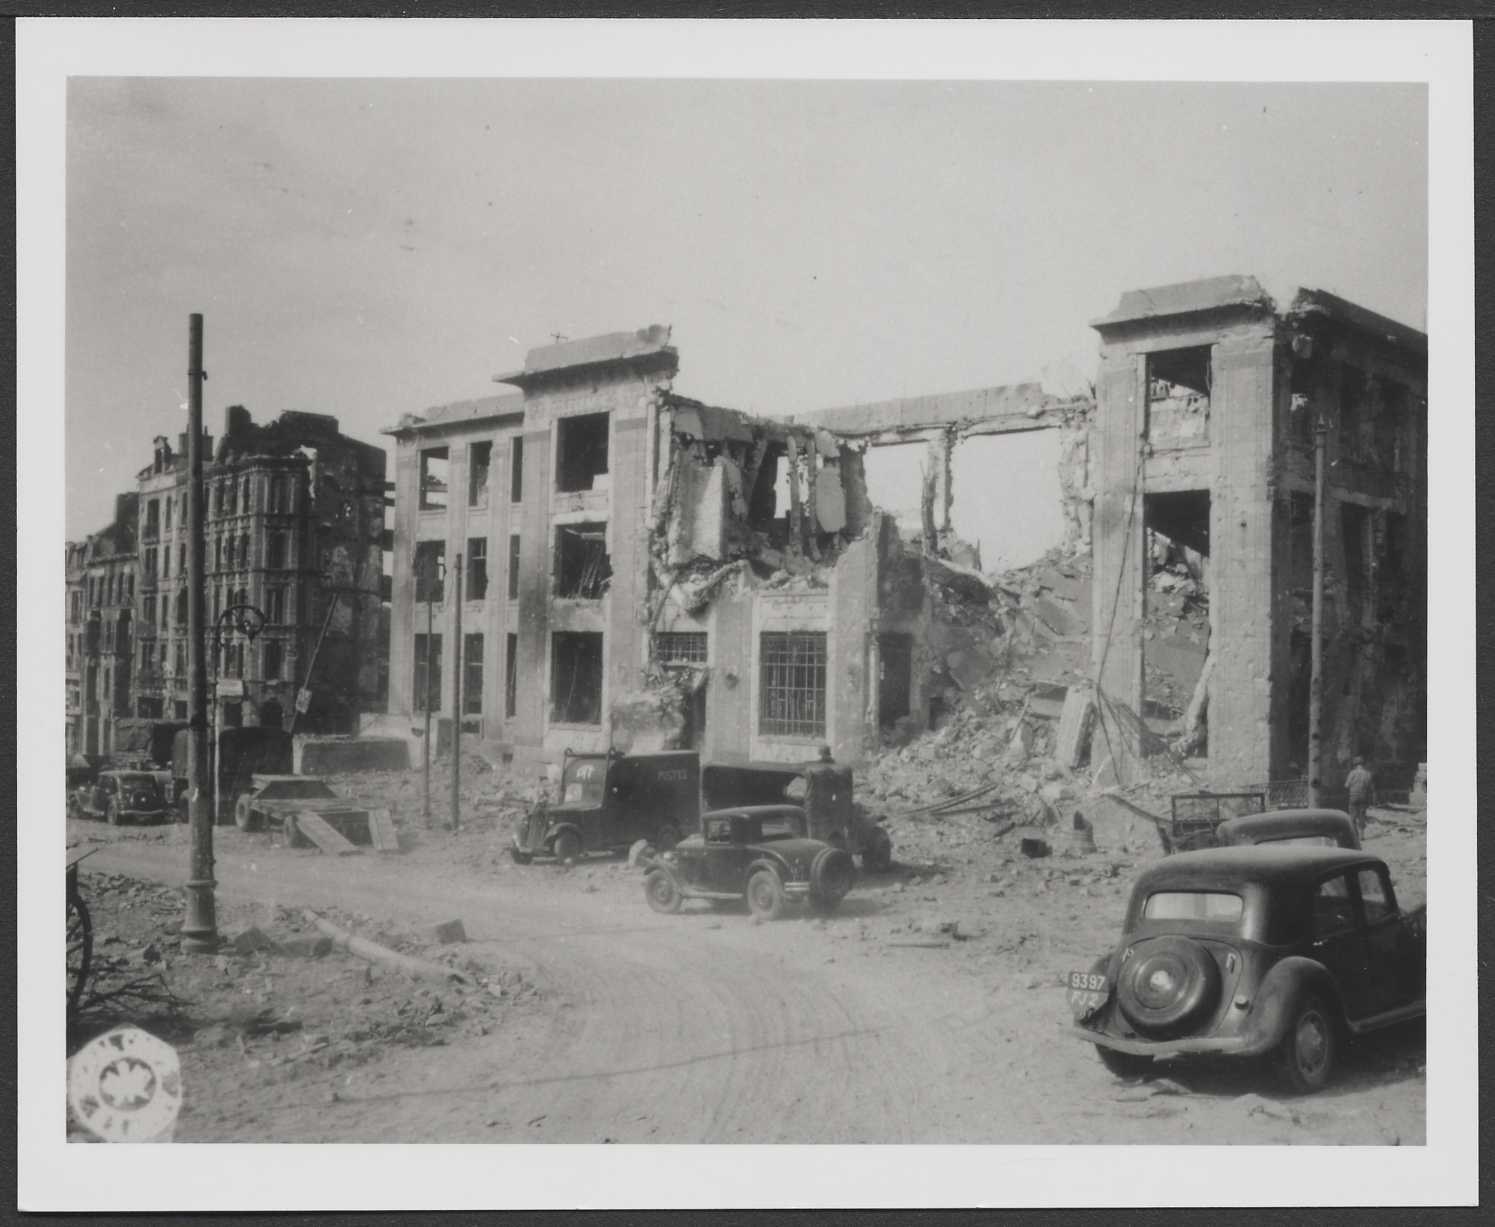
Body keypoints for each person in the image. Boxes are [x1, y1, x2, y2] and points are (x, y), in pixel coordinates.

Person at [1345, 756, 1375, 838]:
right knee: (1362, 815)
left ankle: (1354, 834)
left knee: (1352, 816)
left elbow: (1346, 785)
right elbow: (1370, 787)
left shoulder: (1352, 773)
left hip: (1353, 796)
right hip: (1363, 796)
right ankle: (1362, 835)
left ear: (1355, 764)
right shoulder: (1367, 773)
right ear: (1363, 764)